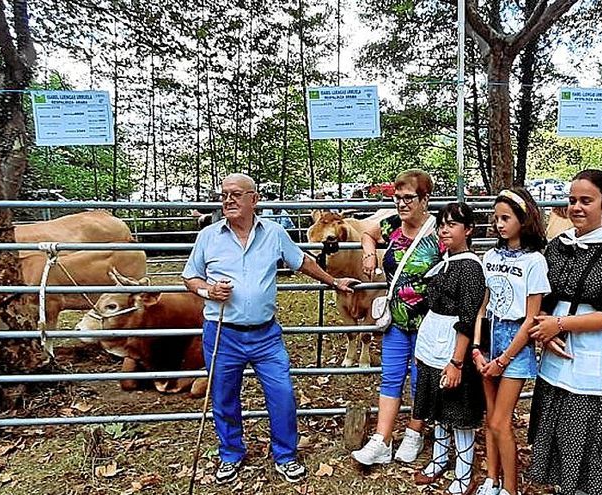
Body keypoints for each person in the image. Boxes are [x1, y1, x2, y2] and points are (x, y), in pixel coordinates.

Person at [181, 173, 359, 485]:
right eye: (224, 194)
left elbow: (301, 260)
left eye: (236, 194)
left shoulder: (274, 233)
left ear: (254, 199)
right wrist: (209, 291)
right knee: (223, 397)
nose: (228, 200)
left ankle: (286, 455)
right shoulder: (209, 236)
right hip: (223, 333)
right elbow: (190, 277)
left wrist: (333, 281)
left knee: (282, 393)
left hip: (265, 334)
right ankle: (230, 454)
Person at [527, 170, 602, 495]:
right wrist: (544, 326)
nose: (576, 207)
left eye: (586, 200)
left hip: (593, 350)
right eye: (572, 200)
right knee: (558, 416)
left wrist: (558, 326)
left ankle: (587, 487)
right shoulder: (558, 246)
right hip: (555, 346)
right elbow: (541, 295)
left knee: (585, 421)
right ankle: (564, 482)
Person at [351, 169, 440, 466]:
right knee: (390, 377)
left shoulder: (439, 232)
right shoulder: (392, 226)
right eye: (397, 198)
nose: (402, 204)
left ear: (425, 199)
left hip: (428, 321)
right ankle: (382, 439)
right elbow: (368, 232)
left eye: (408, 198)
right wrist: (369, 254)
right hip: (396, 320)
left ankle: (415, 433)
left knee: (419, 379)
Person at [472, 188, 549, 495]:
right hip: (490, 335)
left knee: (502, 420)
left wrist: (504, 359)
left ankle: (510, 487)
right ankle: (492, 478)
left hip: (516, 343)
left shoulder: (535, 261)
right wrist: (477, 348)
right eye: (496, 218)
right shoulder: (489, 257)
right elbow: (483, 304)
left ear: (523, 219)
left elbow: (531, 318)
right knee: (491, 417)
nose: (499, 224)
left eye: (506, 218)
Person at [411, 203, 486, 495]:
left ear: (468, 230)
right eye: (442, 223)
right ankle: (440, 458)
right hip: (433, 341)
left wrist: (457, 361)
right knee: (439, 406)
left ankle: (464, 472)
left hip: (453, 347)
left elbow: (468, 318)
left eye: (453, 224)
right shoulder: (445, 261)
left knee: (458, 409)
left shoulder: (470, 268)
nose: (444, 229)